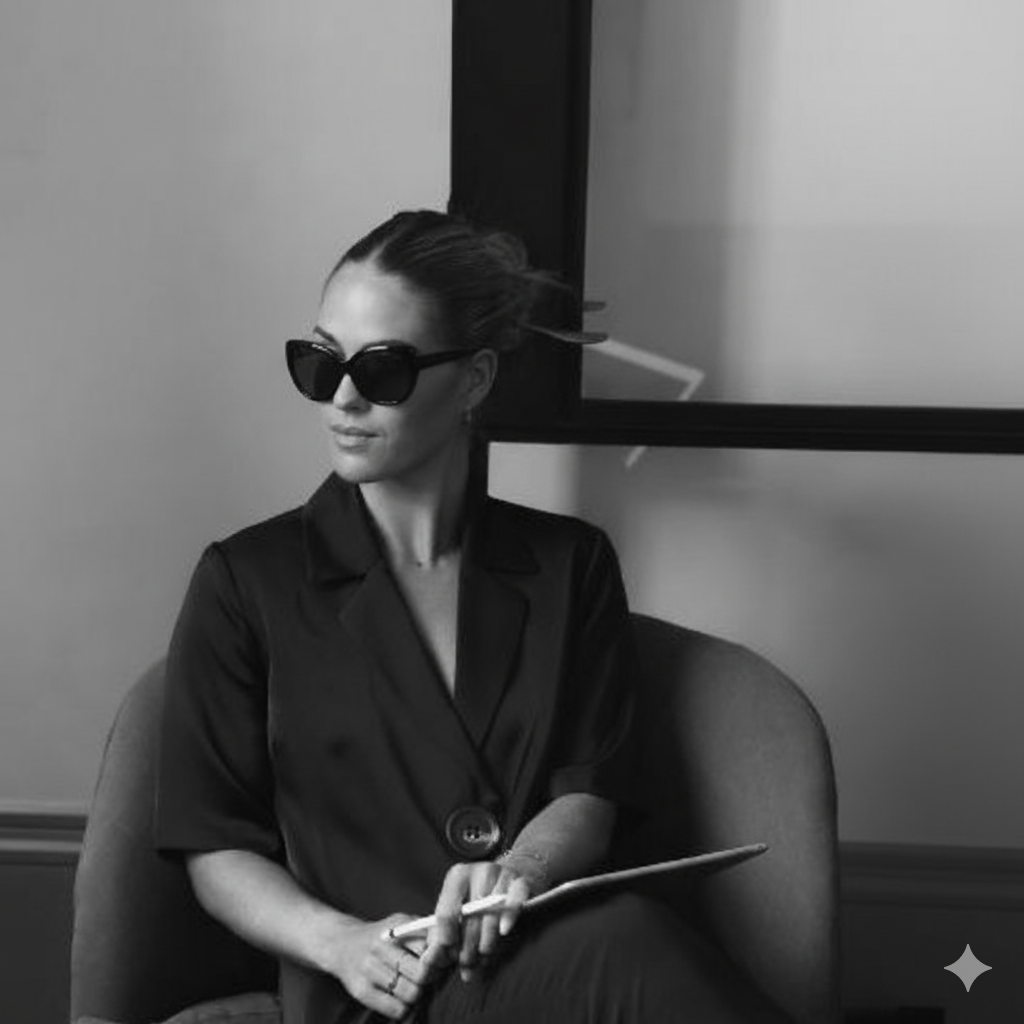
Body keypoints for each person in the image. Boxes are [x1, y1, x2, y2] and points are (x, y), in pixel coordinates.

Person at [155, 209, 789, 1024]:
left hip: (538, 957)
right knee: (626, 947)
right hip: (373, 982)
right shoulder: (245, 582)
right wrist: (337, 943)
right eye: (320, 362)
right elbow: (213, 843)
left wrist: (520, 871)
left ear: (477, 380)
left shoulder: (572, 565)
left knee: (618, 941)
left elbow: (587, 791)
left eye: (382, 369)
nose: (343, 397)